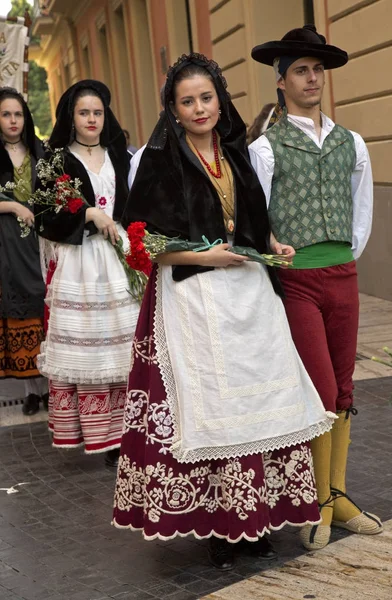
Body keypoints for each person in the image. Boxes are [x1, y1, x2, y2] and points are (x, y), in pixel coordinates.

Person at [112, 53, 336, 570]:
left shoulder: (234, 150)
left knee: (257, 404)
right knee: (208, 411)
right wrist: (204, 255)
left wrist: (274, 244)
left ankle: (255, 516)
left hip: (248, 295)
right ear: (172, 107)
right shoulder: (159, 159)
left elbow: (253, 218)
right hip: (191, 298)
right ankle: (222, 527)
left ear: (220, 99)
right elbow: (144, 246)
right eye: (186, 101)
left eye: (206, 98)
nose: (198, 108)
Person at [249, 25, 381, 550]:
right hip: (297, 280)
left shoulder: (353, 142)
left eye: (317, 69)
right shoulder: (266, 148)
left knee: (344, 387)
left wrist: (343, 257)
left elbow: (362, 211)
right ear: (281, 81)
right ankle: (317, 502)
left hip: (341, 273)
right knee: (320, 389)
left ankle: (338, 496)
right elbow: (258, 222)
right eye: (301, 70)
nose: (312, 78)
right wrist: (283, 265)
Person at [35, 80, 140, 467]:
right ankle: (103, 437)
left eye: (97, 112)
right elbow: (46, 217)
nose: (92, 119)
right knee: (92, 347)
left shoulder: (121, 154)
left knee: (127, 343)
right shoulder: (57, 161)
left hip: (121, 257)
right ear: (71, 118)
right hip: (81, 263)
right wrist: (88, 215)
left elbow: (136, 202)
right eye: (84, 113)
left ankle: (133, 432)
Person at [0, 87, 48, 416]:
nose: (13, 120)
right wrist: (13, 208)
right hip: (8, 243)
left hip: (41, 243)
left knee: (47, 308)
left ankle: (52, 388)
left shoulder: (40, 152)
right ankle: (32, 391)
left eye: (18, 114)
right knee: (22, 309)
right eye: (6, 114)